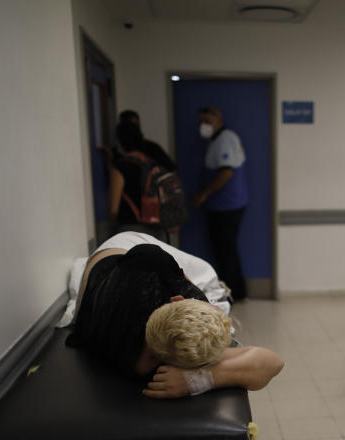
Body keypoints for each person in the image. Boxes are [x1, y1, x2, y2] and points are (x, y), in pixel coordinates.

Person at [67, 231, 283, 399]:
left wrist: (200, 379)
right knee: (208, 274)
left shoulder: (156, 268)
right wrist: (201, 380)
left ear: (176, 299)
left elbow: (273, 363)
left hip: (131, 255)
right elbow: (271, 362)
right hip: (126, 253)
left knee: (171, 265)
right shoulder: (134, 354)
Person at [190, 106, 249, 302]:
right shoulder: (217, 140)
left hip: (228, 205)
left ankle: (234, 293)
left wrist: (204, 194)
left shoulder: (225, 139)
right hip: (222, 205)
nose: (204, 125)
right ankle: (235, 290)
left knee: (226, 251)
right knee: (225, 250)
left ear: (219, 120)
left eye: (208, 120)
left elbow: (226, 172)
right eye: (202, 121)